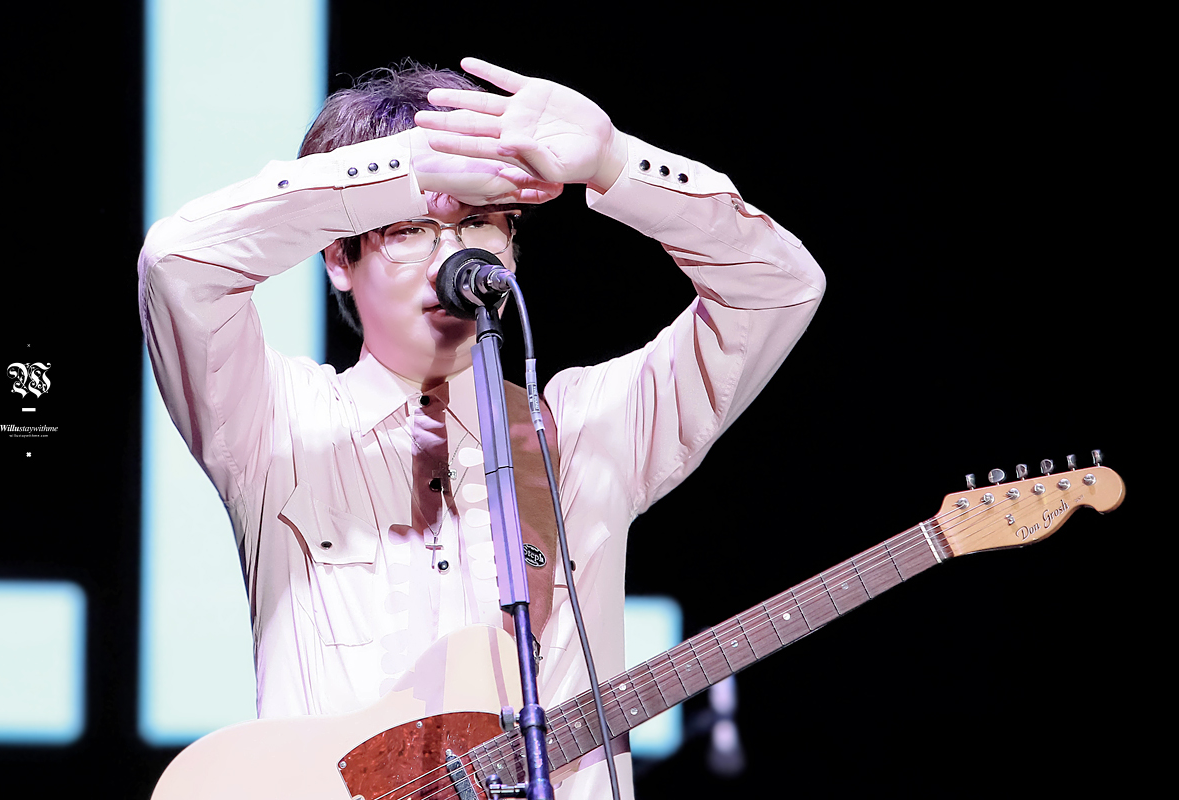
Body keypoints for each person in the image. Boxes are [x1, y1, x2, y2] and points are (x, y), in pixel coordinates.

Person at [139, 57, 825, 799]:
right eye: (409, 229)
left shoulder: (586, 431)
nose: (451, 256)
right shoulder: (276, 427)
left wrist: (615, 163)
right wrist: (404, 169)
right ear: (339, 258)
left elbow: (778, 289)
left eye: (477, 223)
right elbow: (179, 265)